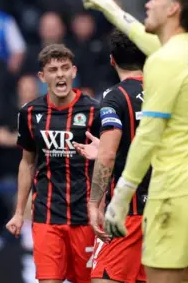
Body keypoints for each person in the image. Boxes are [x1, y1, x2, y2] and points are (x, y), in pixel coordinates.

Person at [82, 0, 188, 283]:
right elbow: (146, 38)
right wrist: (113, 11)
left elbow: (147, 137)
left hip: (175, 193)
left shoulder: (160, 63)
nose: (147, 2)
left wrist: (119, 200)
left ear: (173, 8)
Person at [6, 44, 100, 283]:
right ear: (42, 76)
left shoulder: (94, 111)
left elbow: (108, 161)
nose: (60, 74)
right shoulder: (29, 113)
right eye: (53, 69)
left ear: (74, 72)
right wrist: (19, 213)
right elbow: (27, 163)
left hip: (85, 217)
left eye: (65, 68)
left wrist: (103, 206)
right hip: (46, 216)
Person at [73, 29, 149, 283]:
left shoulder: (114, 97)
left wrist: (94, 203)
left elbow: (106, 156)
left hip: (128, 211)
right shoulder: (167, 93)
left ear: (112, 60)